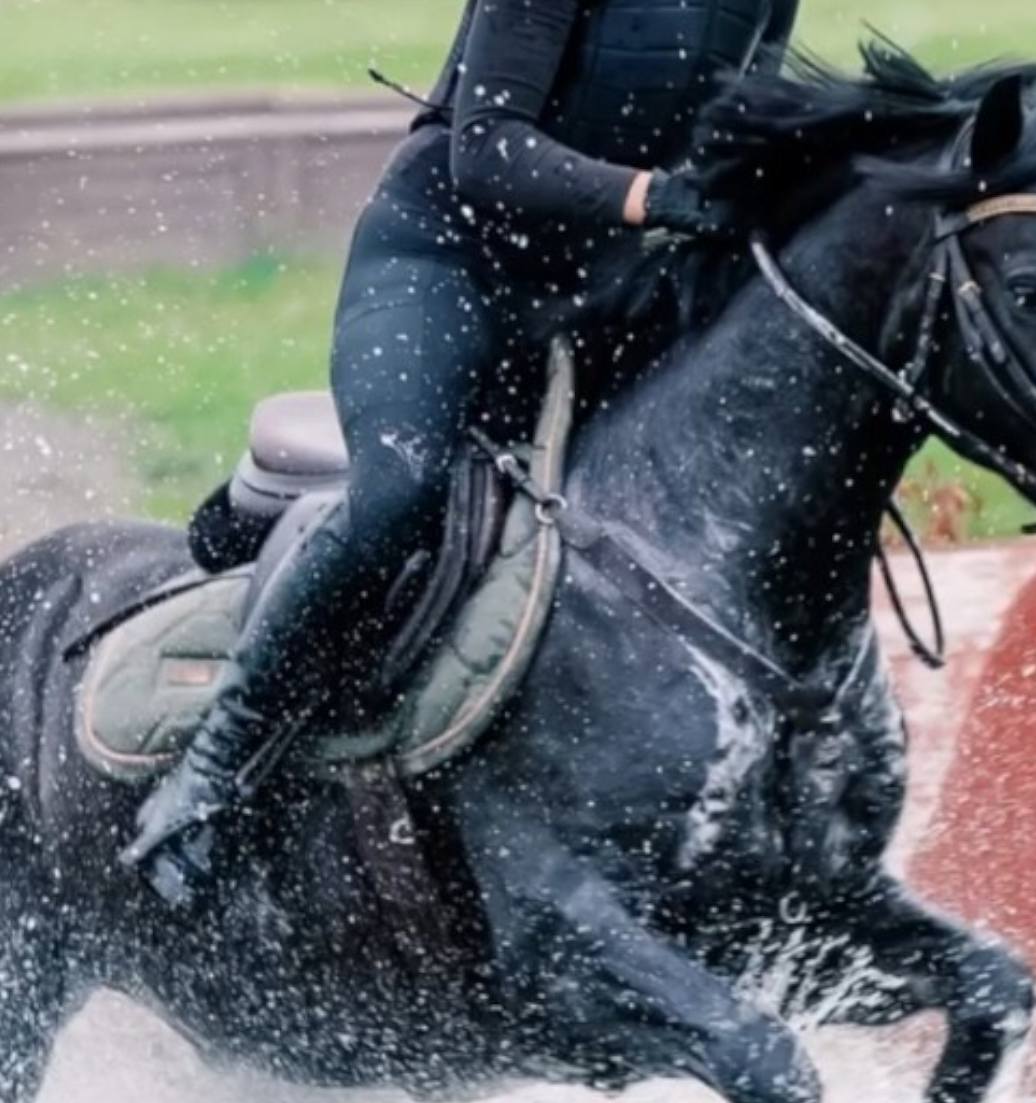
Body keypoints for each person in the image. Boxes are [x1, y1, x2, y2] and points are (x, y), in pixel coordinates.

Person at [124, 0, 802, 902]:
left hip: (600, 285)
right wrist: (658, 196)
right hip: (443, 261)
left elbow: (737, 132)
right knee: (405, 489)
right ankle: (215, 761)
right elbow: (486, 152)